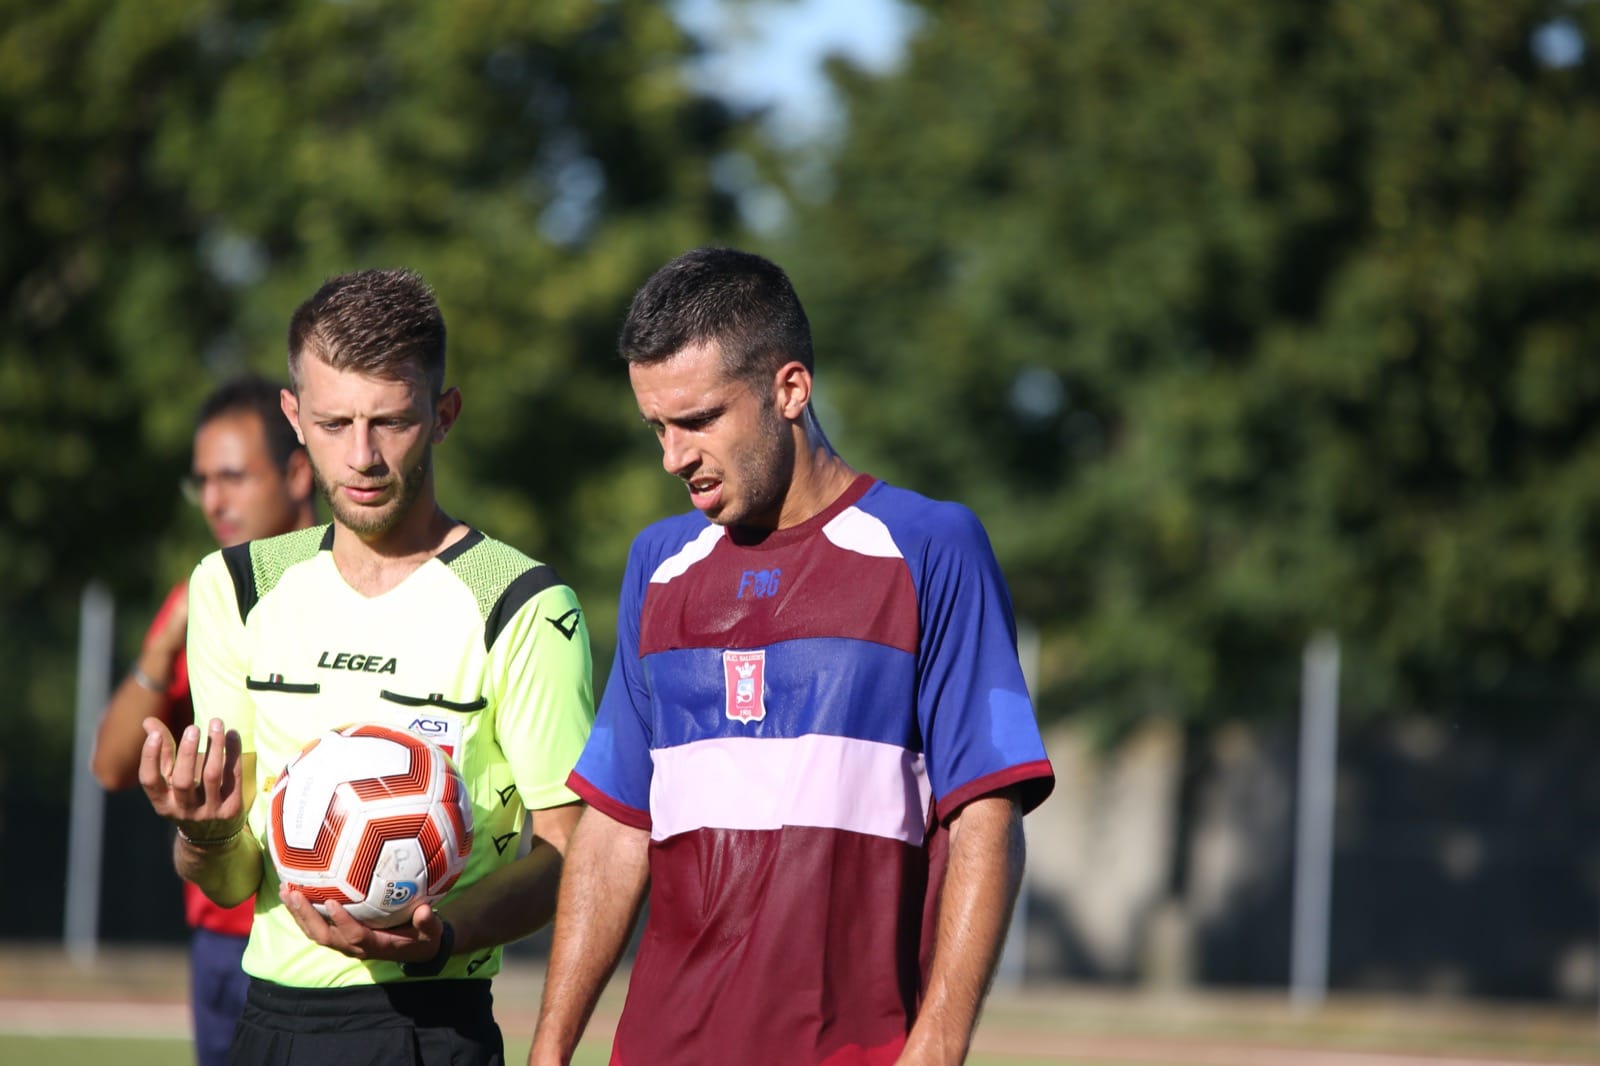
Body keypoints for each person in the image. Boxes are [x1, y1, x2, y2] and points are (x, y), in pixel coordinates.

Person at [529, 248, 1057, 1066]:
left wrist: (936, 1047)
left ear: (790, 390)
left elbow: (986, 816)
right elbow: (616, 831)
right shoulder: (657, 565)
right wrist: (550, 1049)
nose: (673, 456)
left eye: (699, 420)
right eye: (658, 428)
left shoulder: (930, 547)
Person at [136, 268, 596, 1066]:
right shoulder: (235, 587)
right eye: (334, 422)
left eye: (392, 421)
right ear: (294, 418)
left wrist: (442, 934)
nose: (362, 456)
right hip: (268, 1026)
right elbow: (233, 881)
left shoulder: (520, 602)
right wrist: (203, 834)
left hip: (435, 1026)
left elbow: (572, 855)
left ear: (443, 415)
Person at [92, 373, 317, 1066]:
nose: (214, 501)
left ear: (299, 473)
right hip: (223, 939)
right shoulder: (206, 599)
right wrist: (165, 641)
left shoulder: (358, 594)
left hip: (328, 933)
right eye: (203, 482)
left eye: (233, 477)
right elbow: (110, 767)